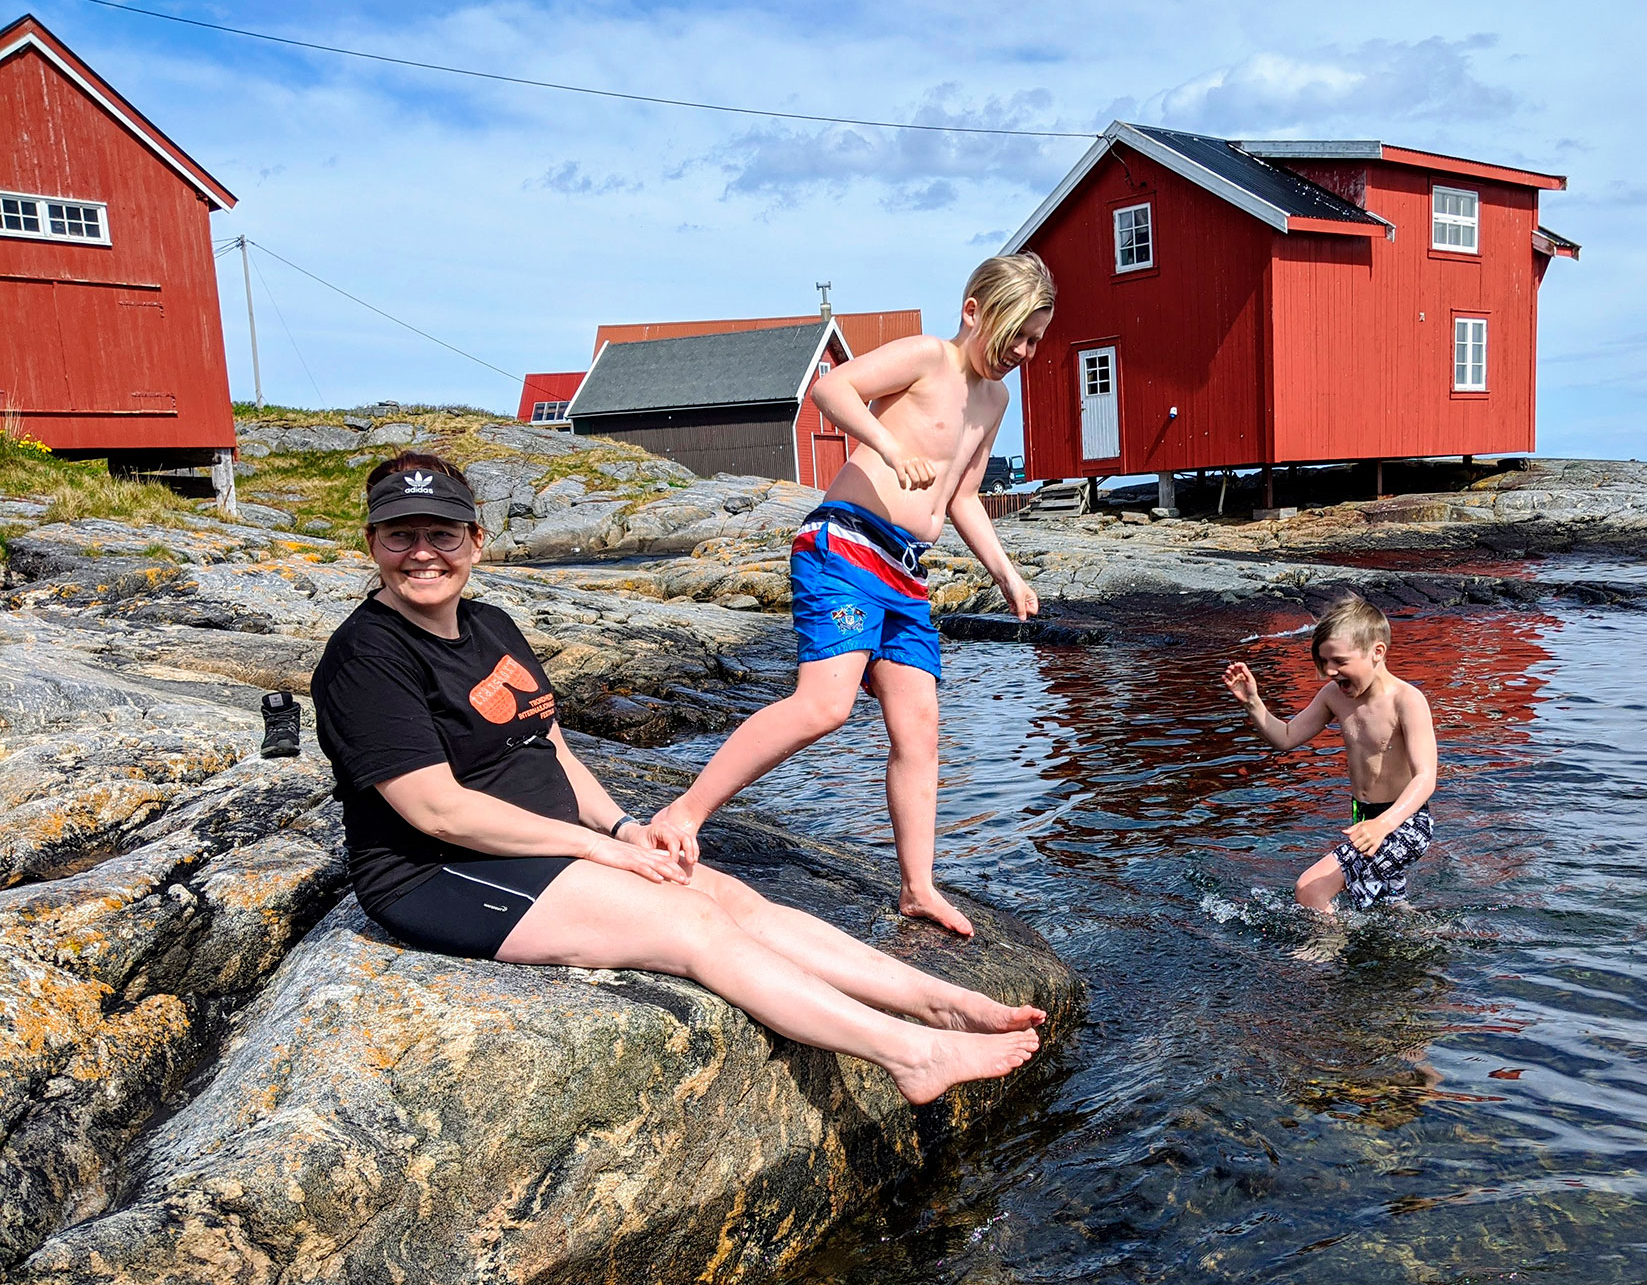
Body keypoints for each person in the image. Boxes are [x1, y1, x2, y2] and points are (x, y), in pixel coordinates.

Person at [309, 453, 1042, 1105]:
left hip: (546, 847)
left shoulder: (492, 623)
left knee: (731, 897)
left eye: (441, 533)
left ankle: (937, 1002)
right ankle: (914, 1055)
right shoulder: (366, 658)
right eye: (400, 535)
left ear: (475, 541)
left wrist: (626, 829)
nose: (422, 554)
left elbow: (552, 749)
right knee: (690, 925)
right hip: (443, 872)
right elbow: (437, 812)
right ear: (372, 544)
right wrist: (599, 851)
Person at [651, 254, 1057, 938]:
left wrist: (1006, 573)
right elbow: (832, 391)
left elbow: (961, 495)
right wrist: (888, 447)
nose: (1023, 352)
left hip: (906, 571)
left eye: (1036, 341)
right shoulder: (928, 357)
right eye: (1017, 334)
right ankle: (681, 814)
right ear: (974, 312)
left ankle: (918, 888)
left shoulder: (994, 400)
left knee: (920, 731)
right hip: (844, 543)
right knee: (825, 706)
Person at [1222, 596, 1439, 912]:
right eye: (1323, 662)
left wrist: (1384, 824)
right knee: (1386, 908)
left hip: (1405, 821)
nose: (1329, 672)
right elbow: (1285, 737)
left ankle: (1326, 955)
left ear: (1377, 652)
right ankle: (1433, 941)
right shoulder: (1333, 697)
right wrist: (1253, 703)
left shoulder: (1407, 701)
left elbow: (1426, 777)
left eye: (1339, 661)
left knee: (1311, 890)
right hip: (1364, 817)